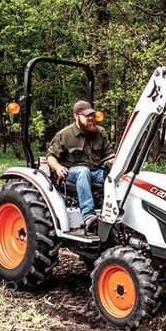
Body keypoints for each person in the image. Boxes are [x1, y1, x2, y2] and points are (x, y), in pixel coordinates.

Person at [47, 100, 113, 233]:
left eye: (92, 115)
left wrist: (116, 168)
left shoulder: (100, 132)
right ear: (76, 116)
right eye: (87, 116)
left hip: (95, 172)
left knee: (116, 178)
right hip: (72, 172)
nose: (91, 118)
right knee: (84, 171)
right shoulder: (65, 135)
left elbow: (110, 155)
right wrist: (58, 168)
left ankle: (113, 214)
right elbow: (50, 157)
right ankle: (89, 216)